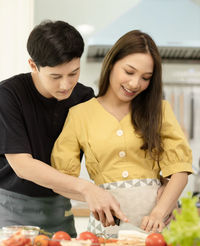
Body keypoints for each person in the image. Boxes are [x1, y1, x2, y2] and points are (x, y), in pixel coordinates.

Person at [51, 29, 193, 235]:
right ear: (111, 64)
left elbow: (180, 170)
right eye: (129, 72)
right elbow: (60, 180)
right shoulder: (79, 114)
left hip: (156, 227)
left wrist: (159, 212)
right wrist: (93, 195)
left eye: (146, 77)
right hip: (106, 227)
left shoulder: (160, 110)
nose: (135, 84)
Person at [0, 20, 128, 236]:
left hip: (60, 206)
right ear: (33, 65)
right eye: (56, 76)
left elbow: (105, 152)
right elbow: (23, 165)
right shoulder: (9, 95)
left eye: (73, 73)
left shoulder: (84, 97)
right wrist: (86, 189)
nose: (66, 85)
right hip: (12, 207)